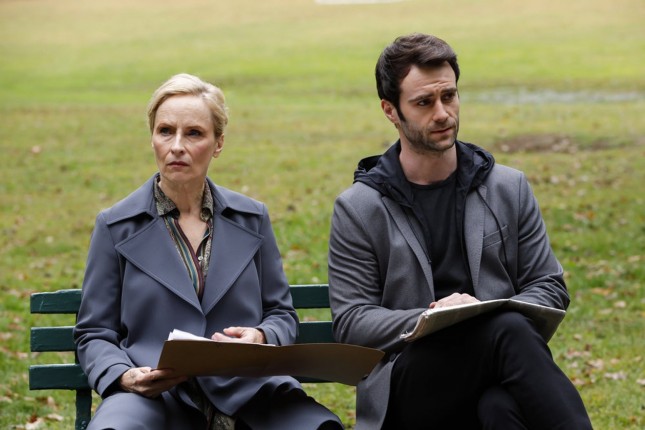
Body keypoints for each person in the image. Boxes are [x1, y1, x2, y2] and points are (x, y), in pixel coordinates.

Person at [327, 33, 593, 429]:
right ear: (390, 110)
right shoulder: (360, 208)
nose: (442, 113)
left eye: (449, 96)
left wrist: (483, 313)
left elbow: (548, 285)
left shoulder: (508, 187)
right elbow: (352, 321)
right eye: (424, 102)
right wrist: (431, 317)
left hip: (497, 369)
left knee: (498, 409)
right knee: (507, 331)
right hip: (410, 385)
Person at [74, 73, 343, 430]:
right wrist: (124, 375)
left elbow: (280, 314)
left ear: (218, 144)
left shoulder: (252, 218)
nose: (177, 146)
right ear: (152, 138)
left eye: (194, 133)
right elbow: (94, 332)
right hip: (154, 398)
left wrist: (262, 337)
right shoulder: (115, 225)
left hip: (250, 390)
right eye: (165, 131)